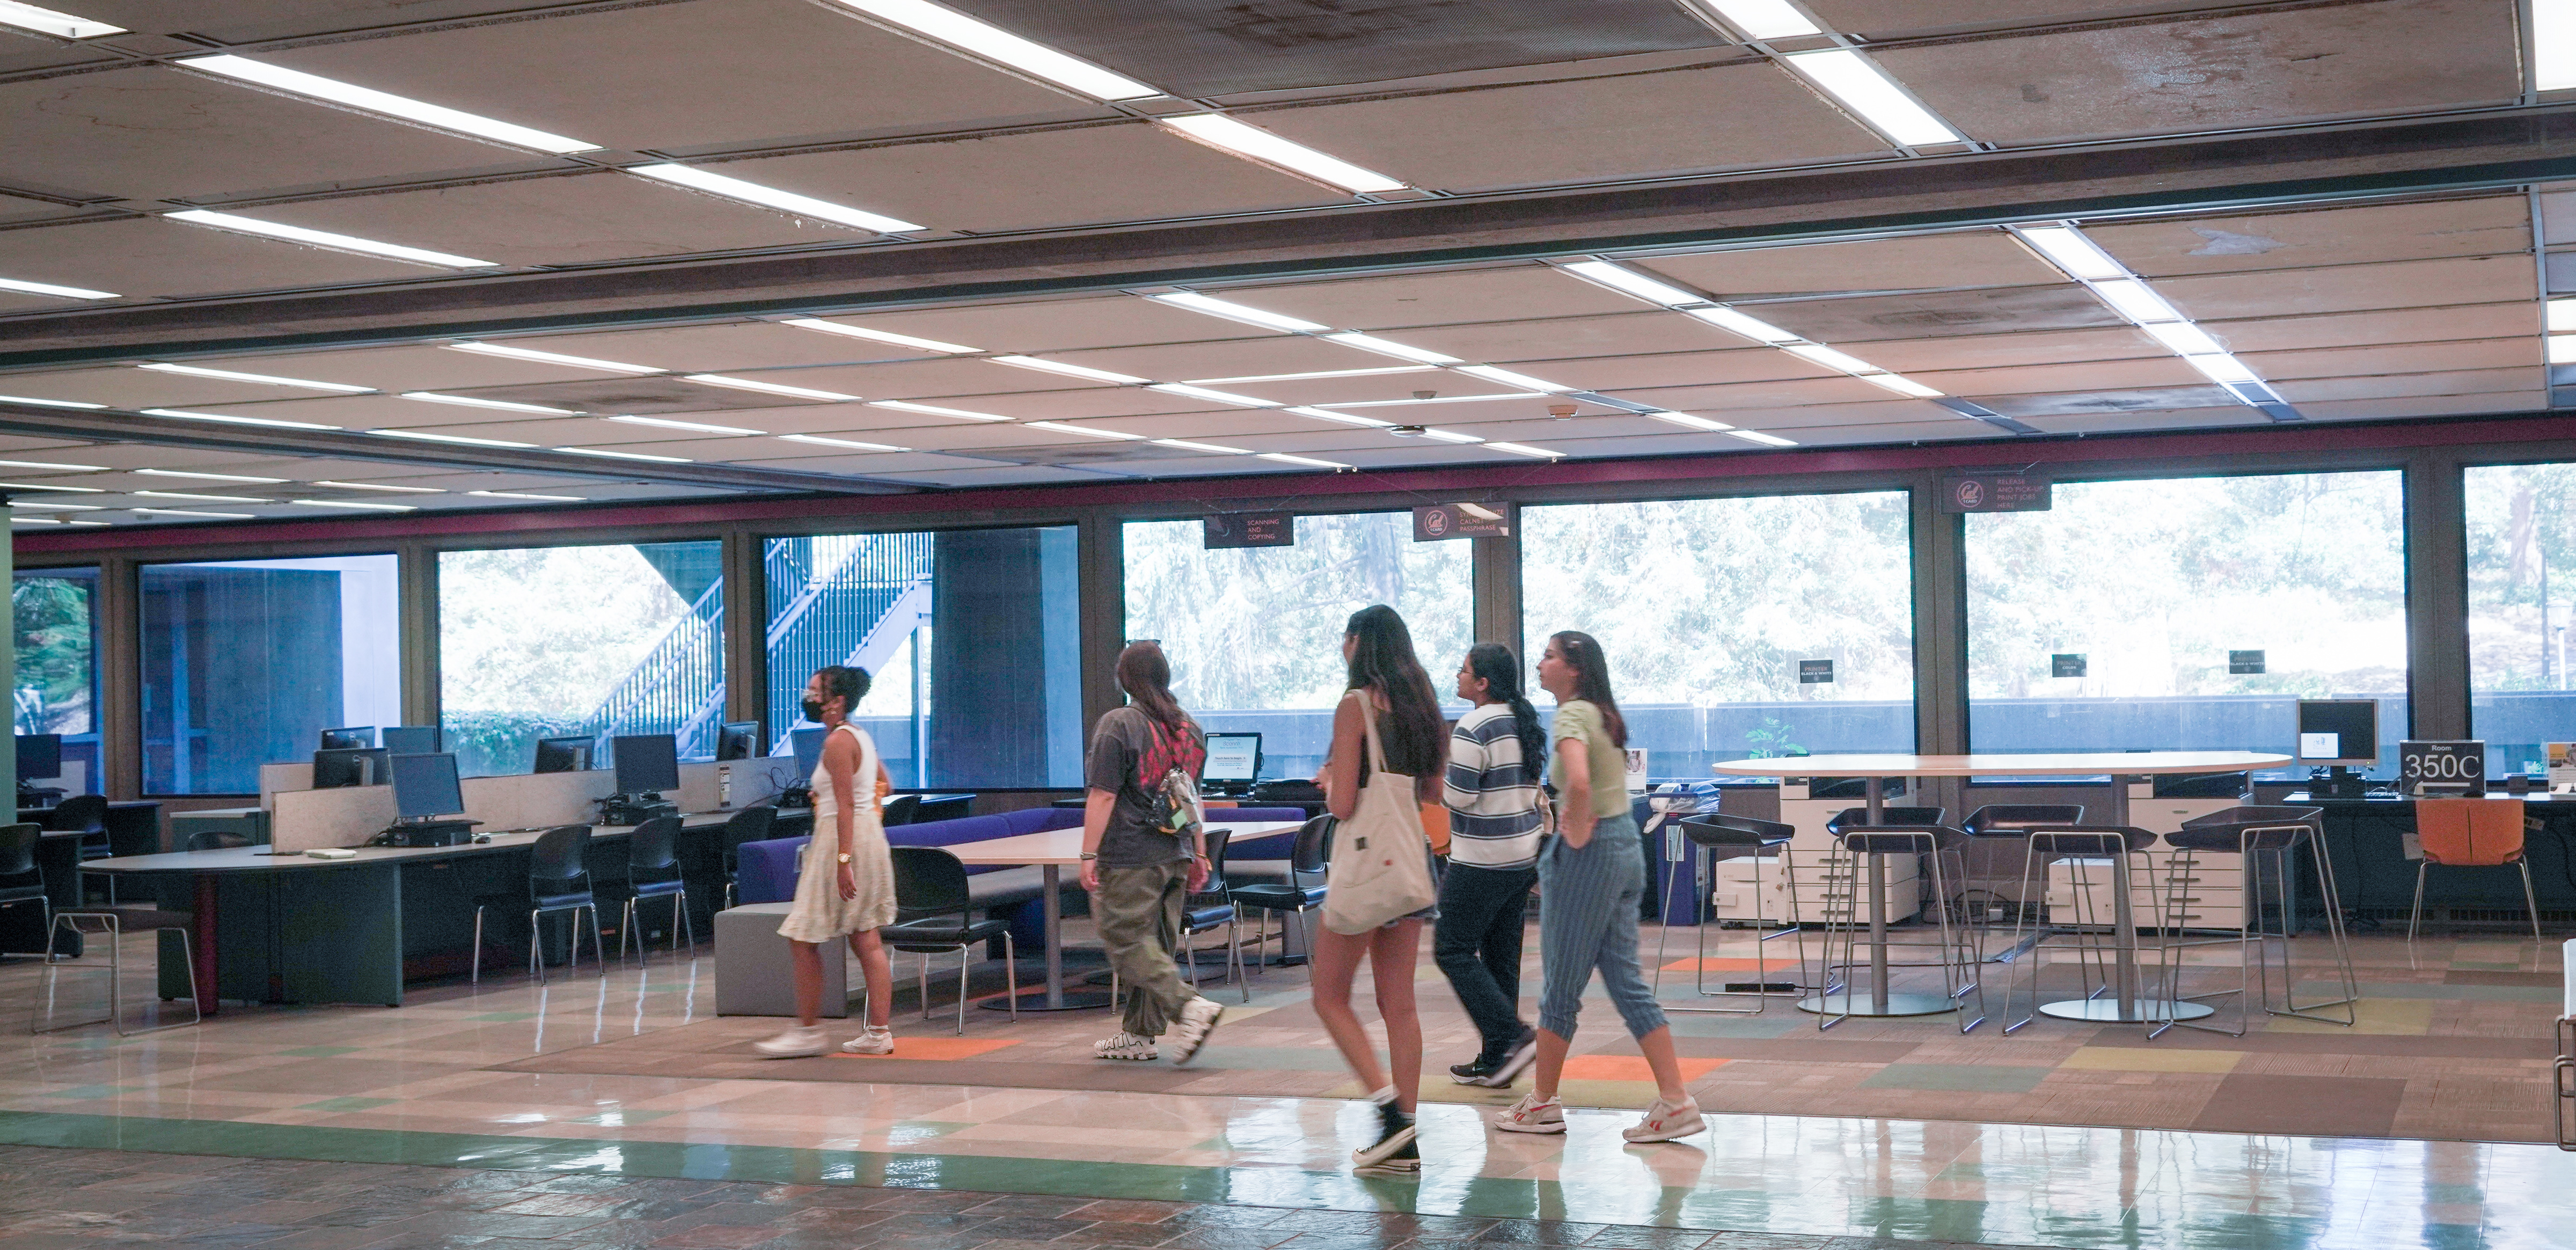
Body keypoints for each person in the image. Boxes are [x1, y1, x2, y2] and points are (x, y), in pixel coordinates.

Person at [1491, 632, 1706, 1144]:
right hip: (1625, 849)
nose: (1539, 664)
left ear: (1575, 670)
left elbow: (1581, 783)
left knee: (1561, 987)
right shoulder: (1601, 714)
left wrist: (1577, 829)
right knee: (1626, 983)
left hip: (1592, 855)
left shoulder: (1571, 716)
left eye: (1548, 656)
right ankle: (1676, 1100)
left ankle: (1542, 1102)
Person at [1314, 604, 1447, 1175]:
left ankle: (1390, 1115)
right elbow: (1433, 793)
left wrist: (1327, 780)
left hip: (1368, 864)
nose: (1342, 647)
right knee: (1400, 1002)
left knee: (1329, 994)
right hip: (1411, 866)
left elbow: (1343, 804)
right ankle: (1405, 1138)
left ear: (1360, 644)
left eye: (1345, 637)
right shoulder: (1424, 709)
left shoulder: (1355, 706)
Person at [1080, 641, 1227, 1064]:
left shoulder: (1118, 724)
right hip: (1176, 851)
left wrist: (1089, 854)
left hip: (1130, 852)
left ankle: (1188, 1006)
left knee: (1125, 938)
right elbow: (1190, 796)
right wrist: (1198, 851)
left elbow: (1104, 795)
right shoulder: (1190, 728)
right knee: (1155, 946)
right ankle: (1139, 1034)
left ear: (1125, 678)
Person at [755, 666, 899, 1058]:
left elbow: (846, 804)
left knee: (804, 937)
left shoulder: (838, 743)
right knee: (865, 936)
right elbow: (885, 783)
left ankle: (808, 1032)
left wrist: (843, 860)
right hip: (865, 836)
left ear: (836, 701)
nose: (808, 694)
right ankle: (877, 1032)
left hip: (842, 838)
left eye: (816, 689)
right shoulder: (857, 737)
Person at [1436, 642, 1547, 1088]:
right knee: (1502, 957)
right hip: (1521, 855)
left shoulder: (1473, 725)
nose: (1458, 677)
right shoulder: (1522, 721)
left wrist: (1440, 779)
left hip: (1480, 857)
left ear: (1482, 683)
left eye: (1464, 671)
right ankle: (1495, 1058)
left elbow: (1458, 796)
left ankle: (1513, 1034)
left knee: (1451, 949)